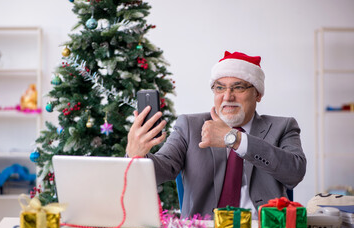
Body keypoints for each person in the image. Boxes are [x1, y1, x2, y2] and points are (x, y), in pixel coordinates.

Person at [126, 51, 307, 219]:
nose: (228, 97)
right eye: (220, 88)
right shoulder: (190, 126)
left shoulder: (283, 126)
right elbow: (163, 168)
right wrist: (136, 156)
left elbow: (295, 173)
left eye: (238, 88)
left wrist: (235, 139)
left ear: (257, 94)